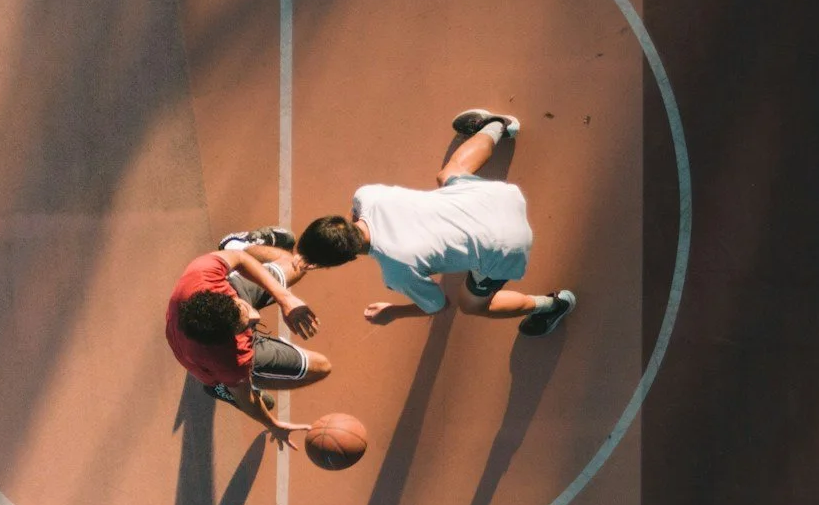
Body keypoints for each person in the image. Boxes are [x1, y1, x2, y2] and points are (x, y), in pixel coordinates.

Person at [295, 109, 576, 334]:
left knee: (472, 304)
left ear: (345, 259)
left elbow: (437, 305)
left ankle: (554, 304)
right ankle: (498, 125)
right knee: (448, 174)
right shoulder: (367, 196)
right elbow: (353, 216)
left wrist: (393, 311)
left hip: (508, 244)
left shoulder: (397, 272)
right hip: (498, 197)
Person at [165, 240, 327, 443]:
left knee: (296, 265)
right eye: (246, 326)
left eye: (244, 308)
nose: (256, 316)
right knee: (321, 367)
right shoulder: (231, 359)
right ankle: (223, 387)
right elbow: (247, 399)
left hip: (203, 329)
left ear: (223, 296)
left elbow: (240, 258)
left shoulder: (202, 274)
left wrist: (284, 298)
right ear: (228, 337)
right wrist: (273, 424)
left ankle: (234, 241)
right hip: (214, 365)